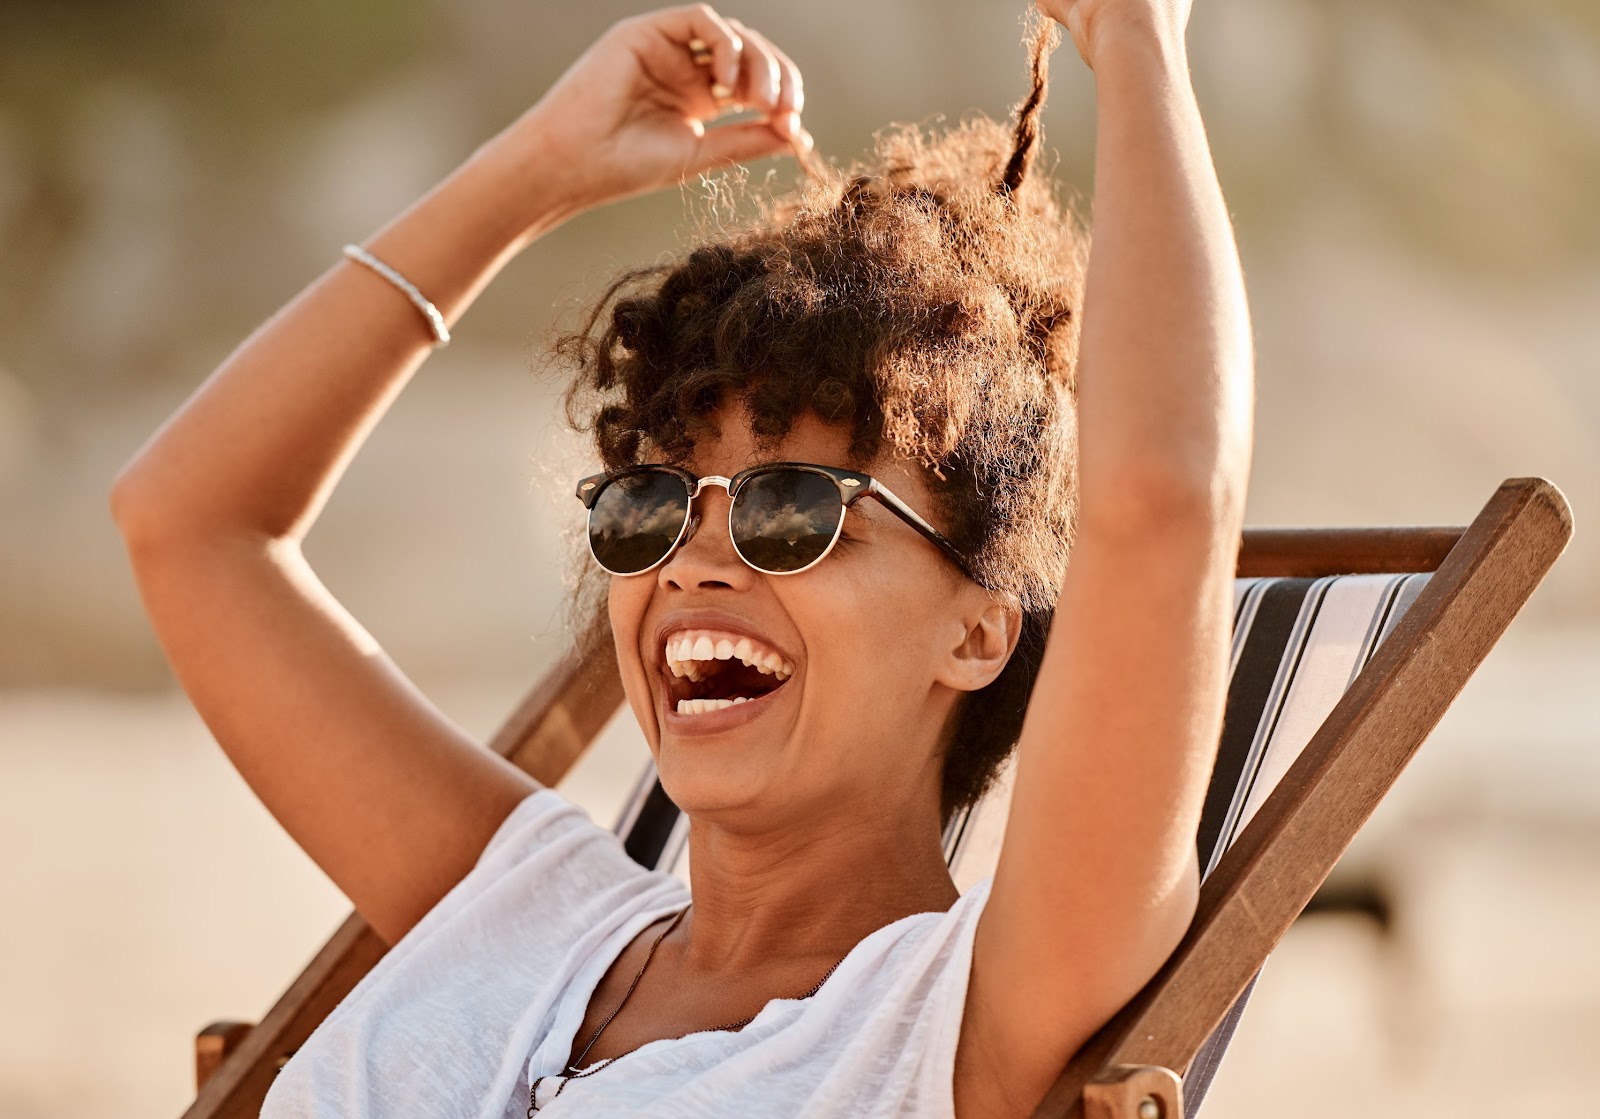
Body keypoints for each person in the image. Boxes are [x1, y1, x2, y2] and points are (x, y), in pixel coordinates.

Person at [110, 0, 1254, 1115]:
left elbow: (1160, 508)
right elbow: (187, 522)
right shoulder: (524, 908)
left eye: (794, 510)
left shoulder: (958, 1016)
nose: (693, 563)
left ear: (976, 628)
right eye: (652, 504)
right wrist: (540, 168)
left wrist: (1139, 34)